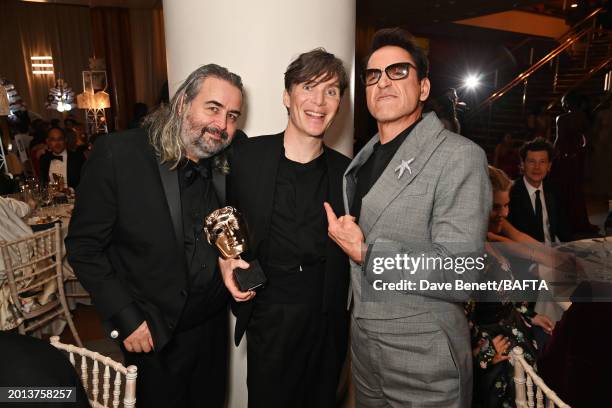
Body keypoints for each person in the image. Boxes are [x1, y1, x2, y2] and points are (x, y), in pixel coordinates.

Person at [325, 27, 491, 407]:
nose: (383, 82)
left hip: (425, 358)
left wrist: (368, 254)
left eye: (398, 71)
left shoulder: (458, 156)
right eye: (373, 75)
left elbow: (461, 271)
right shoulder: (361, 159)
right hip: (365, 353)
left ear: (424, 88)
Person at [65, 64, 244, 407]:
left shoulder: (228, 155)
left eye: (233, 115)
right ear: (181, 104)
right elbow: (84, 247)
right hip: (153, 332)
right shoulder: (120, 154)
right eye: (213, 108)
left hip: (212, 328)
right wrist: (125, 317)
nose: (222, 125)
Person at [218, 48, 351, 408]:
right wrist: (226, 258)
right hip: (268, 314)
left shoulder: (349, 174)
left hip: (325, 320)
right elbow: (216, 210)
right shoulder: (246, 158)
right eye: (308, 87)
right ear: (286, 96)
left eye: (332, 91)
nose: (319, 101)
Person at [466, 166, 557, 408]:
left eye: (506, 205)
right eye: (496, 207)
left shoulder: (485, 239)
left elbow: (501, 292)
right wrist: (484, 350)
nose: (503, 213)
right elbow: (456, 314)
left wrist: (530, 315)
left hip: (514, 334)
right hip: (499, 358)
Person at [508, 138, 572, 245]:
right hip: (524, 256)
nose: (537, 167)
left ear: (549, 166)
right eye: (531, 161)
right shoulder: (510, 193)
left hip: (554, 253)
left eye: (542, 162)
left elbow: (564, 229)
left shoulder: (555, 190)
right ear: (523, 164)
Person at [552, 91, 597, 234]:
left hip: (563, 157)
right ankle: (577, 221)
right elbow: (589, 139)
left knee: (562, 188)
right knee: (575, 189)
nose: (563, 105)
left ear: (567, 103)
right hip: (577, 156)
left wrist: (552, 155)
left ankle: (562, 220)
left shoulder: (561, 118)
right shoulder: (583, 117)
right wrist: (581, 151)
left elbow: (558, 140)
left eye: (564, 102)